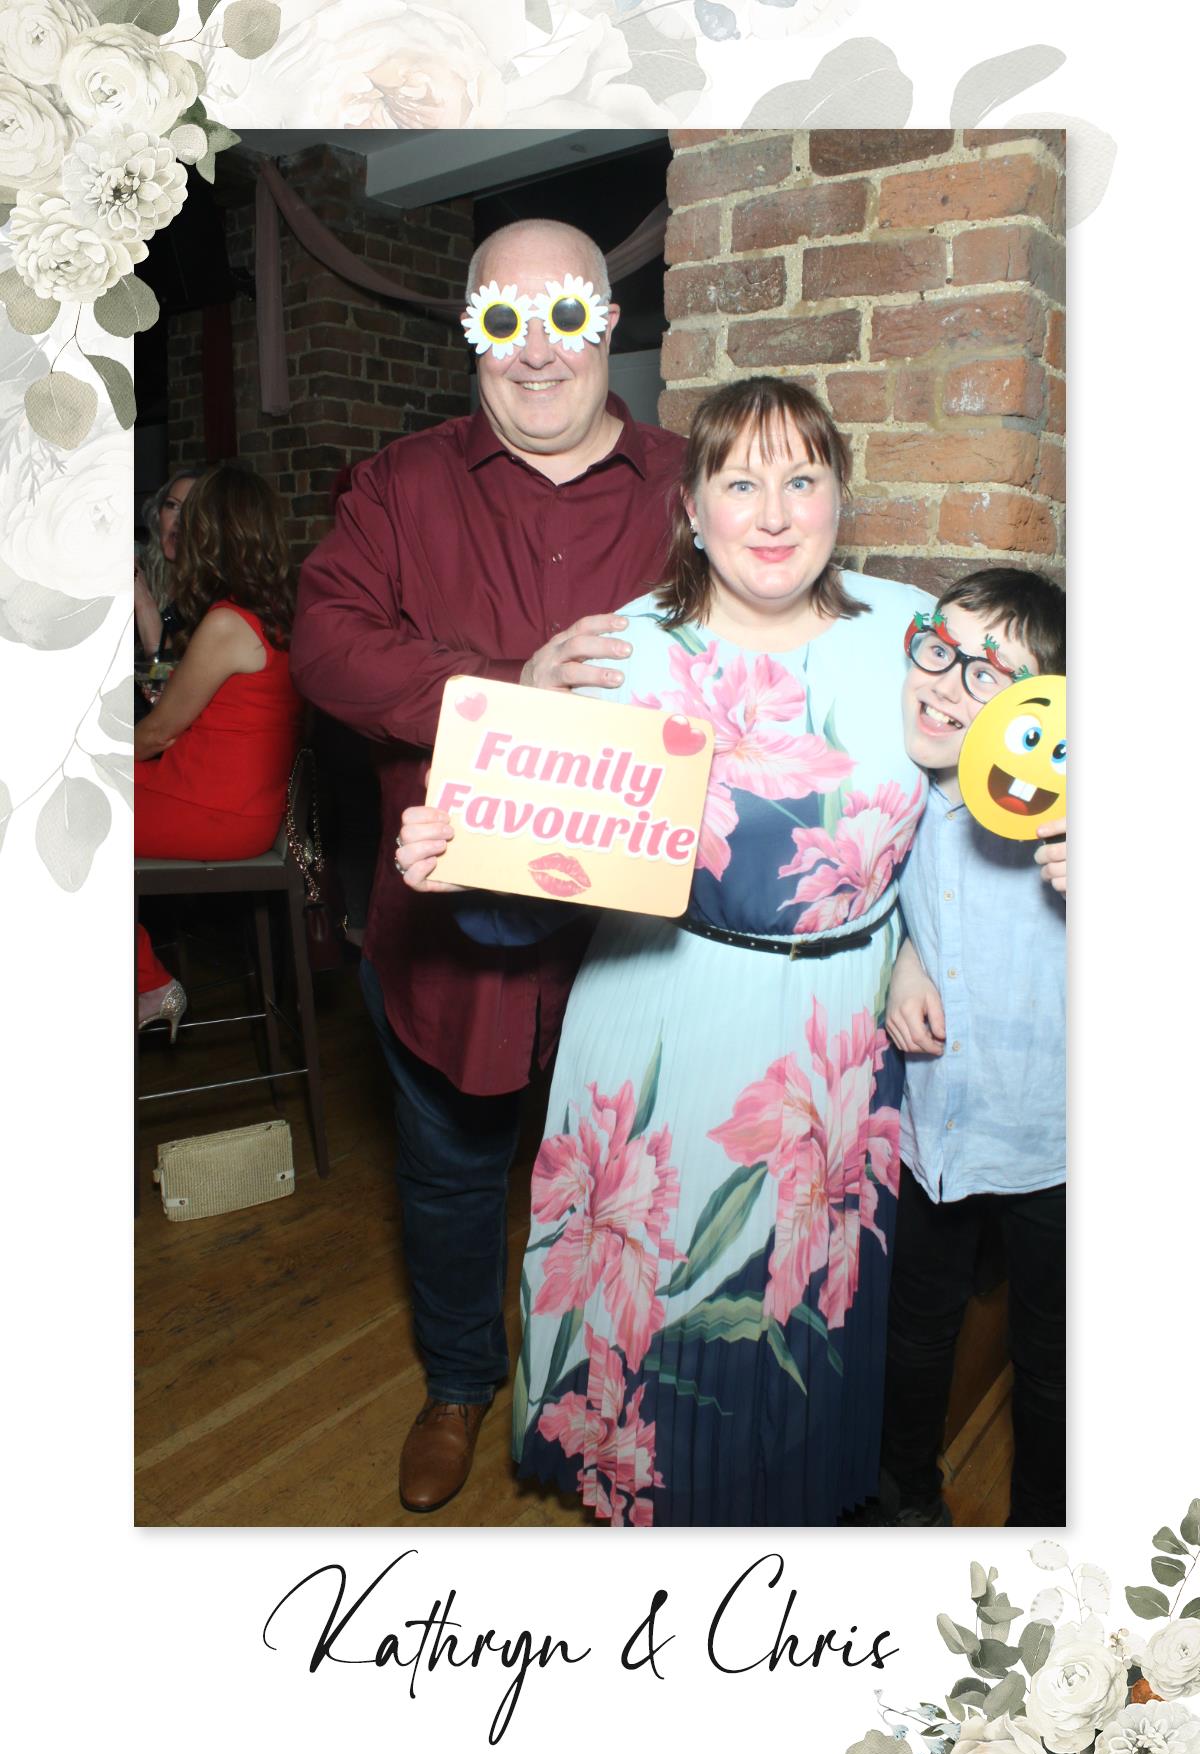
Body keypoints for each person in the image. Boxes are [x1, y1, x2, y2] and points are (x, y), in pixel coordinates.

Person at [398, 375, 938, 1526]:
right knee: (664, 1303)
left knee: (795, 1307)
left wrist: (914, 947)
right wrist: (463, 859)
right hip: (662, 1016)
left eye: (804, 478)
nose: (777, 512)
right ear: (693, 508)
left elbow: (958, 830)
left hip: (836, 1043)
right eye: (742, 482)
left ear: (844, 493)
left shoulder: (914, 636)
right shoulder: (620, 653)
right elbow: (536, 896)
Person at [289, 219, 685, 1513]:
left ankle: (616, 1398)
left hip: (636, 943)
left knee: (628, 1182)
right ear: (471, 333)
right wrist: (499, 687)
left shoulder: (691, 487)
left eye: (562, 316)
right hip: (448, 937)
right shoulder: (399, 486)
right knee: (452, 1175)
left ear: (608, 324)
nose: (534, 354)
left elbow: (776, 641)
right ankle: (459, 1383)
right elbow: (331, 647)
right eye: (501, 322)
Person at [876, 568, 1066, 1526]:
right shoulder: (897, 793)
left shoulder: (1067, 822)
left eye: (990, 675)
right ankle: (904, 1495)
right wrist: (903, 962)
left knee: (1055, 1364)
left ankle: (1048, 1537)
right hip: (935, 1132)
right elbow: (888, 912)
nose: (949, 681)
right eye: (940, 648)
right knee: (913, 1337)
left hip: (1056, 1148)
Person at [135, 465, 304, 1033]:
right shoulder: (277, 615)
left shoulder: (228, 623)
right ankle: (140, 979)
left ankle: (147, 984)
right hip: (239, 806)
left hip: (217, 810)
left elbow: (158, 732)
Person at [134, 467, 205, 660]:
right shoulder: (149, 572)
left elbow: (166, 679)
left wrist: (143, 601)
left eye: (192, 509)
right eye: (172, 505)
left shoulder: (214, 596)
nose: (178, 519)